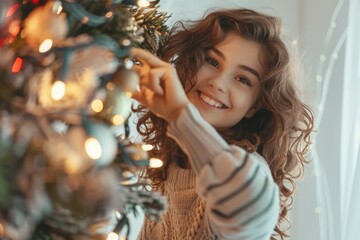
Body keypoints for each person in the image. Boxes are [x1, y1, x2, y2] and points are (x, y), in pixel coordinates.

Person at [131, 8, 314, 240]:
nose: (218, 82)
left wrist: (180, 115)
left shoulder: (250, 170)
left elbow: (247, 200)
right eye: (212, 61)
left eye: (243, 79)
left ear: (254, 107)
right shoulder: (170, 169)